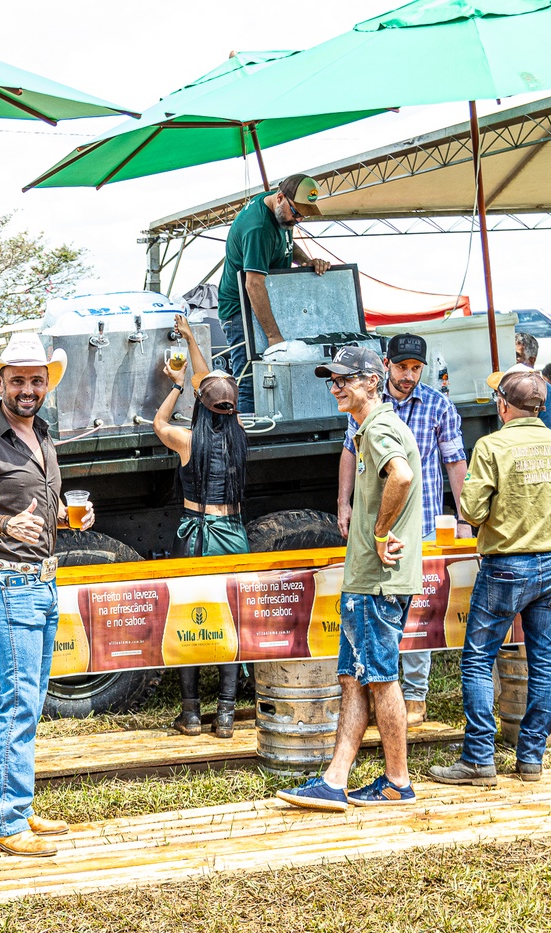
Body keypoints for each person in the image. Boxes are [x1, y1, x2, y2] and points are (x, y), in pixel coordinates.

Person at [0, 333, 92, 858]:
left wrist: (66, 518)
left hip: (43, 579)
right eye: (18, 380)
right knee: (19, 701)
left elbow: (40, 509)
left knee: (30, 698)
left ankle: (19, 805)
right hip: (9, 582)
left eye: (36, 380)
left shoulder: (43, 435)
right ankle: (6, 823)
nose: (27, 389)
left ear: (46, 383)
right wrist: (4, 524)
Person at [428, 367, 551, 787]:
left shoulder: (491, 446)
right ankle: (531, 758)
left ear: (502, 405)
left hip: (505, 567)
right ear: (542, 407)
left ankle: (479, 759)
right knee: (544, 660)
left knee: (479, 659)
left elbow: (471, 511)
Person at [279, 346, 422, 811]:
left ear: (372, 381)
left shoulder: (378, 428)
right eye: (332, 380)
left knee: (379, 678)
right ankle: (335, 780)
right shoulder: (370, 428)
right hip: (370, 579)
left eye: (345, 379)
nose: (336, 387)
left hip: (375, 581)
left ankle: (397, 781)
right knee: (355, 679)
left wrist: (380, 533)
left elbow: (401, 476)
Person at [335, 333, 466, 726]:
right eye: (402, 367)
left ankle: (414, 696)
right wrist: (343, 503)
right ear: (385, 366)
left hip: (419, 525)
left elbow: (454, 461)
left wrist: (463, 518)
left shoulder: (439, 405)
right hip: (376, 525)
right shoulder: (364, 404)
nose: (409, 375)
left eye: (416, 368)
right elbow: (349, 451)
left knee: (418, 613)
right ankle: (382, 694)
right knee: (382, 616)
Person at [153, 314, 248, 739]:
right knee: (230, 621)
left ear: (200, 404)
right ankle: (225, 715)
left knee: (188, 620)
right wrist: (192, 340)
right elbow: (211, 388)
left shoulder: (187, 440)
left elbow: (160, 423)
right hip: (234, 536)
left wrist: (175, 385)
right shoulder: (239, 435)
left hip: (197, 536)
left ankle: (190, 714)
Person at [217, 173, 331, 412]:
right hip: (241, 310)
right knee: (249, 381)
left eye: (303, 215)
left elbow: (285, 241)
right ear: (280, 198)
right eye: (296, 212)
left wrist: (306, 260)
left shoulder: (279, 211)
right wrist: (274, 337)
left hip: (262, 304)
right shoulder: (258, 227)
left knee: (275, 376)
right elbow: (253, 285)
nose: (298, 220)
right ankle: (249, 433)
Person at [513, 334, 551, 436]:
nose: (511, 359)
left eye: (517, 355)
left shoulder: (546, 391)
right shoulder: (500, 385)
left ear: (531, 360)